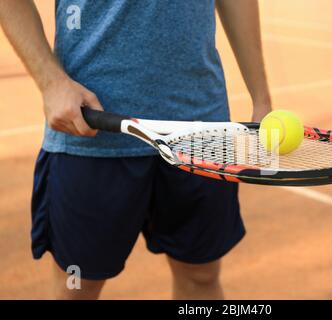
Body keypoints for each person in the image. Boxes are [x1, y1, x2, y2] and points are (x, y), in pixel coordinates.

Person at [0, 0, 272, 299]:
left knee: (202, 277)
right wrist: (51, 82)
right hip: (92, 130)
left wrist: (261, 98)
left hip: (199, 128)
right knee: (76, 287)